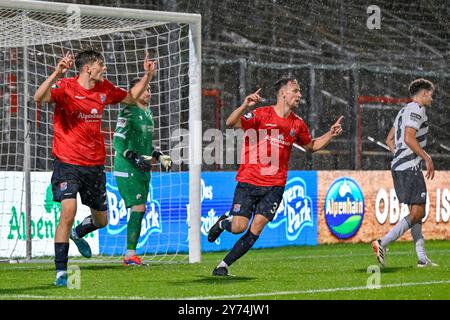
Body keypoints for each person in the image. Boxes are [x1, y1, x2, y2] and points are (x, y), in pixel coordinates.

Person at [34, 47, 157, 286]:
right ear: (88, 68)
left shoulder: (105, 88)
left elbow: (131, 98)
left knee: (101, 221)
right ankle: (61, 272)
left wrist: (147, 76)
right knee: (67, 212)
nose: (105, 68)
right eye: (101, 64)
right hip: (67, 162)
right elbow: (39, 97)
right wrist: (57, 73)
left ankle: (78, 233)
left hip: (94, 164)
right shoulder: (66, 86)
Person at [208, 77, 344, 276]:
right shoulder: (262, 114)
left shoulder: (297, 124)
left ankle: (223, 265)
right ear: (283, 93)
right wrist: (245, 104)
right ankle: (223, 223)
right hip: (249, 180)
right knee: (238, 227)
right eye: (295, 91)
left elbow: (311, 146)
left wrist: (330, 134)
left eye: (299, 92)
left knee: (256, 228)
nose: (299, 95)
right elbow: (231, 122)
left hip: (275, 186)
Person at [372, 78, 438, 268]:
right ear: (424, 93)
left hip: (400, 166)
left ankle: (422, 258)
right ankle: (382, 243)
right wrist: (426, 157)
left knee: (416, 212)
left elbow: (389, 139)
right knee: (417, 213)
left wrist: (399, 155)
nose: (431, 98)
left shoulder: (403, 111)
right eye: (430, 94)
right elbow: (409, 138)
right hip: (410, 167)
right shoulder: (417, 109)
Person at [112, 78, 172, 266]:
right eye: (144, 89)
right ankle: (130, 255)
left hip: (142, 167)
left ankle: (81, 230)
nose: (148, 92)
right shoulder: (127, 112)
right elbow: (118, 142)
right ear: (134, 91)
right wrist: (133, 157)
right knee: (138, 207)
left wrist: (159, 155)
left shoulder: (148, 113)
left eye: (150, 89)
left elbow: (145, 145)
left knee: (140, 208)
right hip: (127, 168)